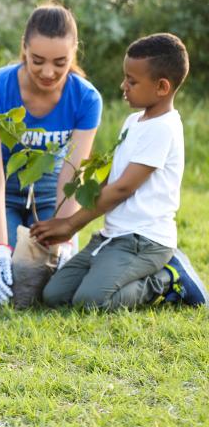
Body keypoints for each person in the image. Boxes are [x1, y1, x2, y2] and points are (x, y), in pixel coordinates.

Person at [31, 33, 207, 309]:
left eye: (132, 81)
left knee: (90, 302)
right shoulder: (133, 121)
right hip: (112, 237)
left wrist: (71, 224)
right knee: (54, 295)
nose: (123, 85)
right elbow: (111, 179)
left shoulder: (163, 128)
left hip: (144, 241)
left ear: (162, 87)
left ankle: (168, 279)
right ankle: (115, 267)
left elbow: (123, 188)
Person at [0, 1, 103, 306]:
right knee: (8, 290)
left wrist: (66, 237)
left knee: (56, 282)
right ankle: (4, 254)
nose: (48, 72)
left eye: (60, 62)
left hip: (49, 186)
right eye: (37, 60)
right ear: (24, 49)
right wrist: (1, 250)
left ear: (74, 52)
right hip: (0, 187)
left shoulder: (86, 98)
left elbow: (72, 174)